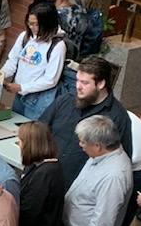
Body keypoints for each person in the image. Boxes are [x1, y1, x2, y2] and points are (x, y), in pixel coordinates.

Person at [36, 54, 133, 185]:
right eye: (77, 80)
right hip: (45, 177)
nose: (78, 86)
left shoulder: (117, 117)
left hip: (79, 188)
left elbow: (119, 160)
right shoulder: (65, 100)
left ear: (101, 84)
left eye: (85, 82)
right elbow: (40, 129)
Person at [1, 3, 67, 118]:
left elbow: (51, 79)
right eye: (30, 23)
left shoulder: (58, 46)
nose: (32, 27)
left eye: (36, 24)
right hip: (19, 93)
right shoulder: (24, 36)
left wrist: (22, 87)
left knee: (31, 131)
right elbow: (13, 61)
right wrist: (0, 75)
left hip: (38, 98)